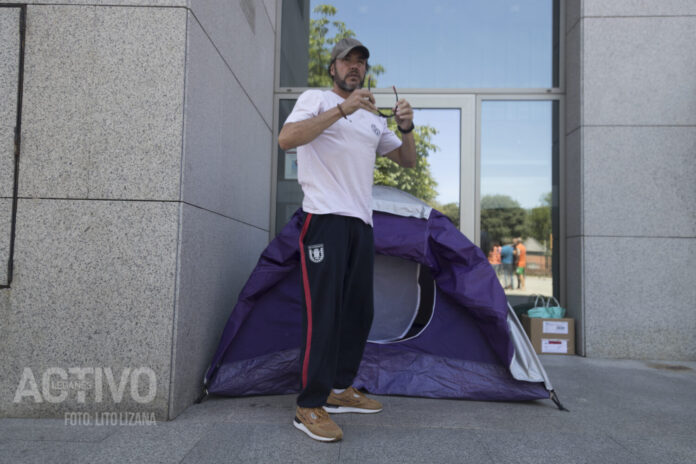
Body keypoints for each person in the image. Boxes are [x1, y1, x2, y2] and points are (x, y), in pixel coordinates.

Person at [278, 37, 417, 442]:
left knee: (359, 313)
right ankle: (309, 404)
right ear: (333, 67)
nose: (354, 67)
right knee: (324, 315)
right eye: (347, 61)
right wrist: (342, 109)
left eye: (360, 62)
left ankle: (339, 389)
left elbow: (406, 160)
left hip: (361, 223)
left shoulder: (373, 118)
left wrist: (406, 127)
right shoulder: (316, 99)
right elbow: (287, 140)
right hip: (323, 219)